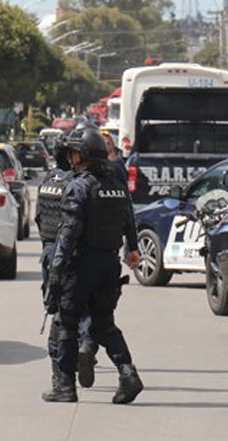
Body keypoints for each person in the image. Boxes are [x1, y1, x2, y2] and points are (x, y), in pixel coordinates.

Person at [42, 127, 143, 405]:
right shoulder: (116, 185)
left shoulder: (79, 187)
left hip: (81, 266)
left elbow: (68, 233)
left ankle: (64, 387)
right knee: (103, 325)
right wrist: (132, 247)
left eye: (73, 152)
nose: (70, 158)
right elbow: (128, 221)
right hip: (109, 265)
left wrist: (55, 272)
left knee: (66, 323)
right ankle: (127, 373)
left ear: (81, 154)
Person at [35, 139, 100, 389]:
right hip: (71, 251)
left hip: (49, 251)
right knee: (80, 308)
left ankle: (62, 368)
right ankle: (85, 347)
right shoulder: (79, 183)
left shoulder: (48, 181)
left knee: (57, 308)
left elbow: (39, 218)